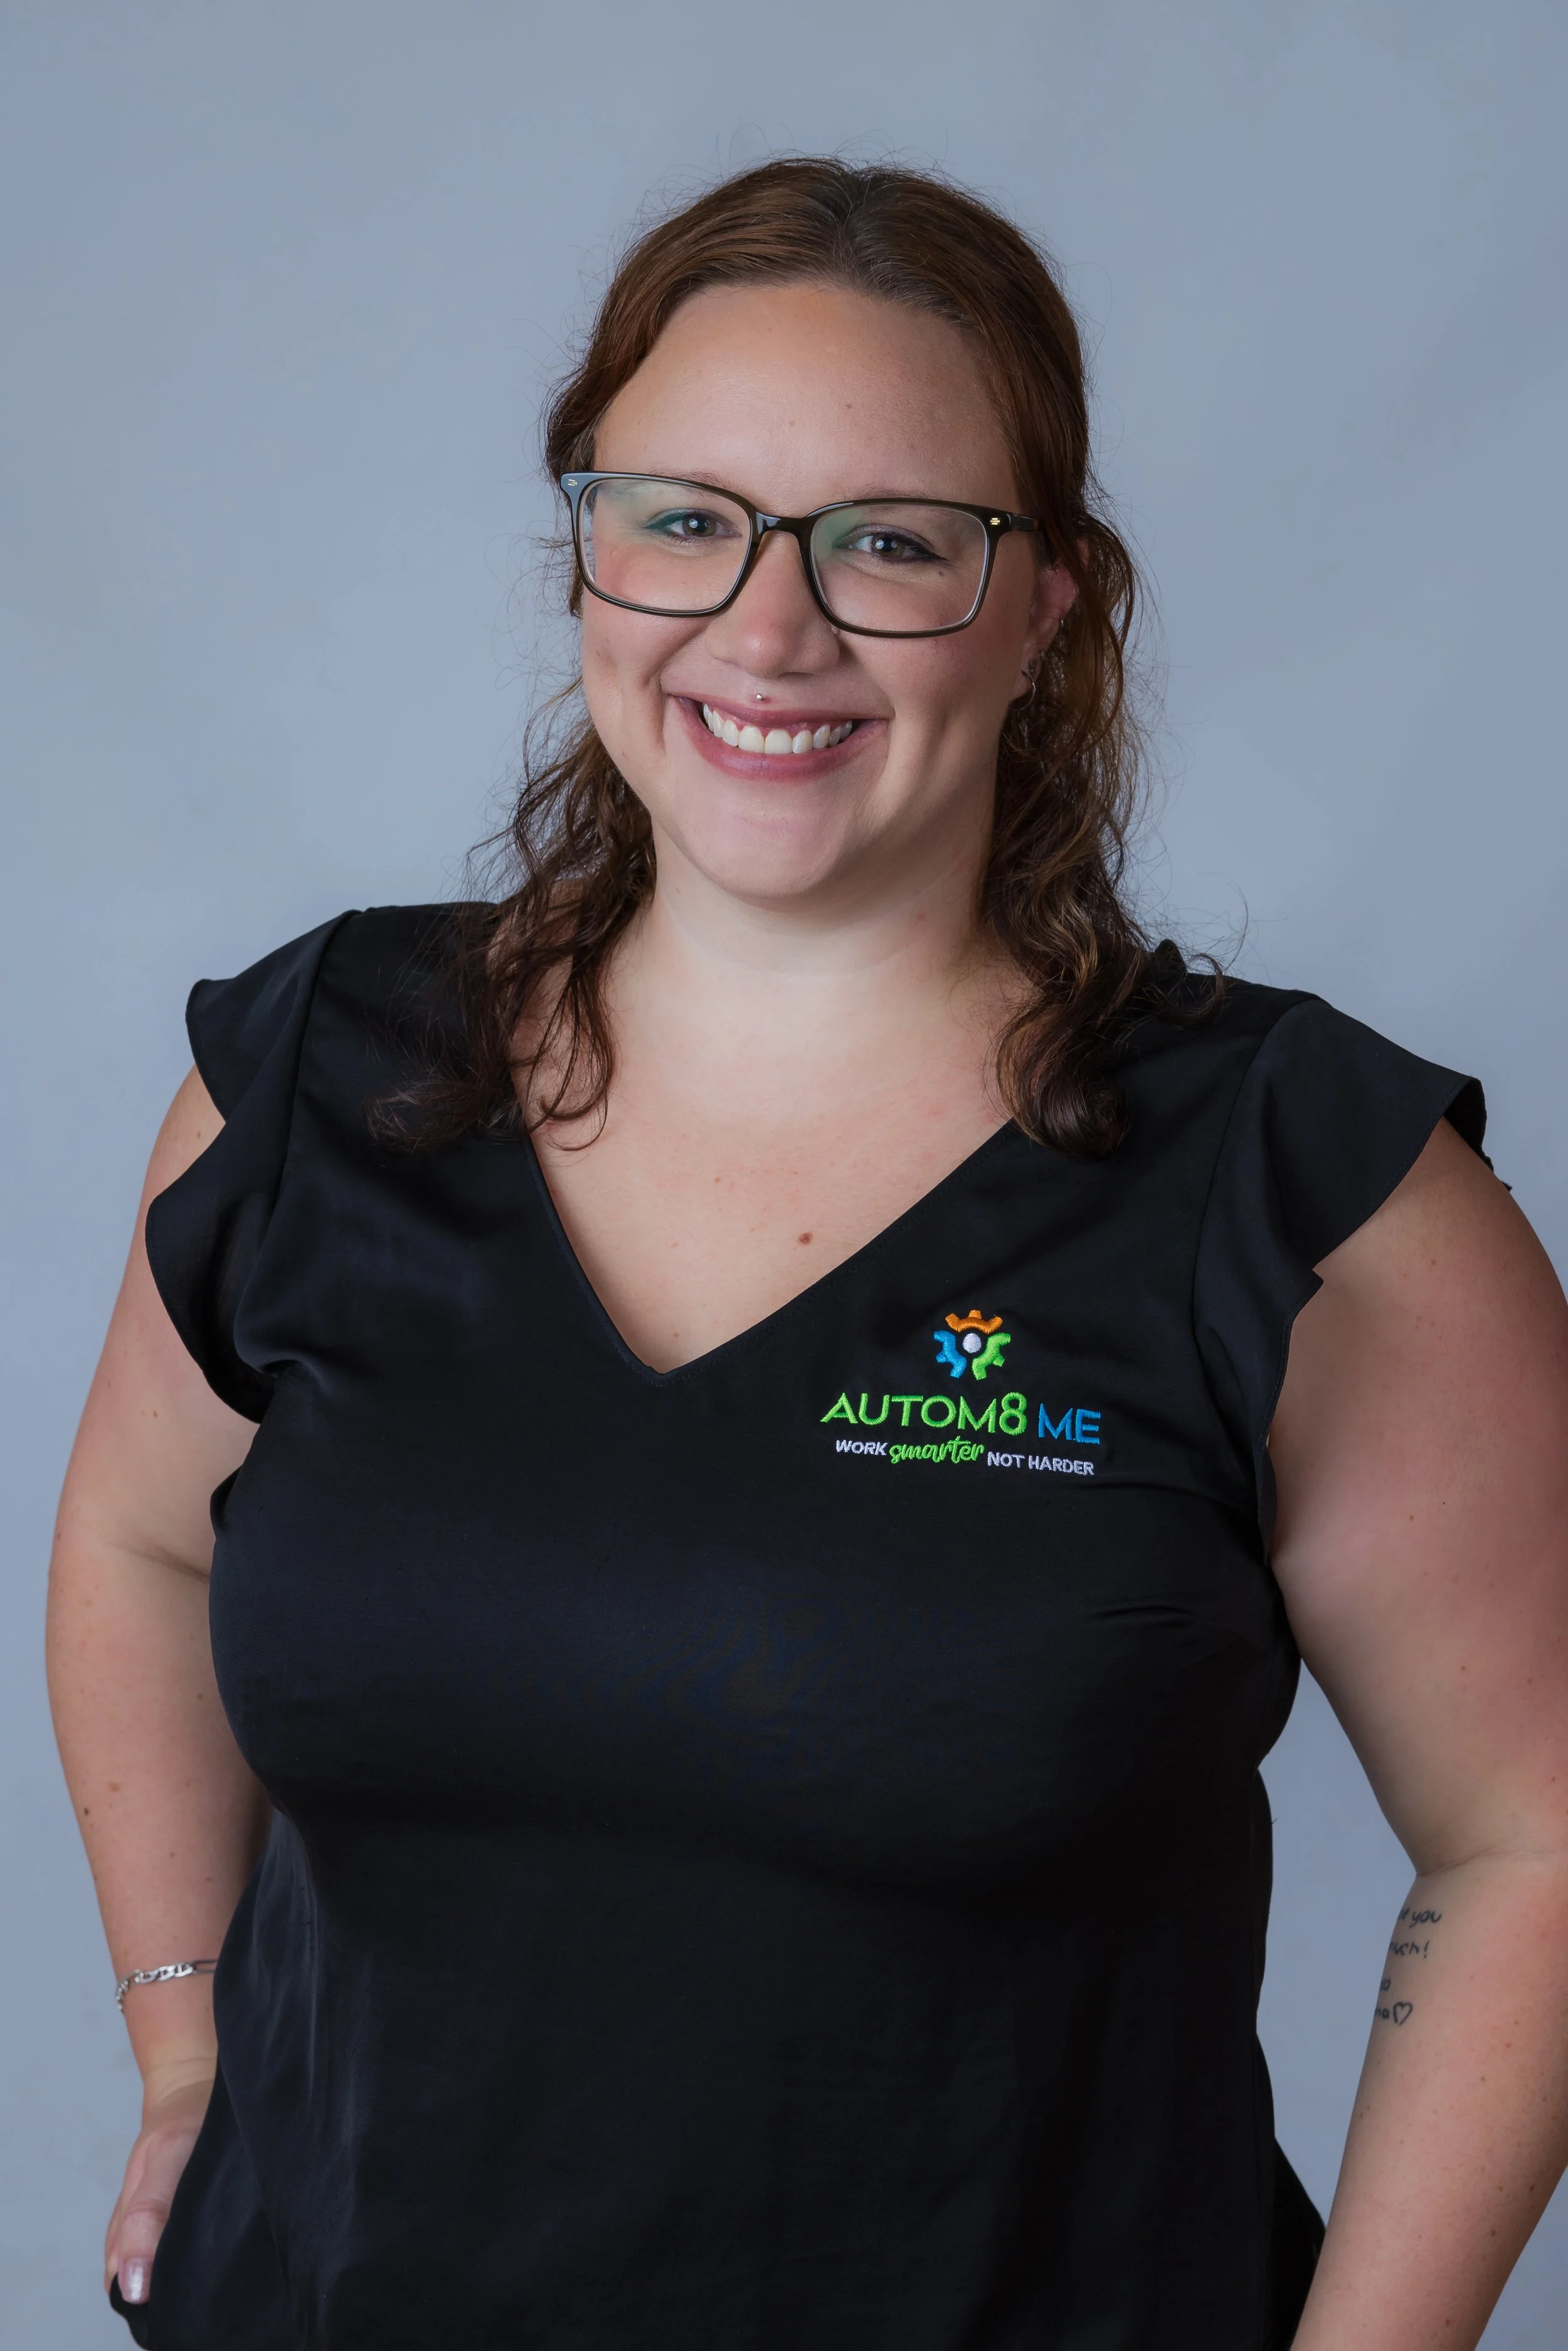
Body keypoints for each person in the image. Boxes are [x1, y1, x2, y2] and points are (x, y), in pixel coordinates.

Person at [47, 157, 1568, 2351]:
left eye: (888, 543)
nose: (768, 631)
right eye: (683, 518)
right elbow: (138, 1546)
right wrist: (189, 2047)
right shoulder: (318, 1084)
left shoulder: (1296, 1187)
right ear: (587, 553)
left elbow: (1533, 1834)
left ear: (1047, 607)